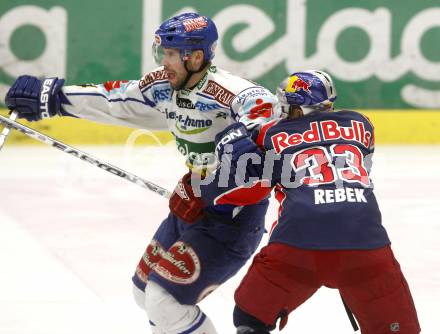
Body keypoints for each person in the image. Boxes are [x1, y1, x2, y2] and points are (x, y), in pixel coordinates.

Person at [4, 13, 281, 334]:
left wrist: (256, 135)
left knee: (165, 303)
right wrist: (54, 98)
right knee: (144, 290)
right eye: (162, 53)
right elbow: (116, 100)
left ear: (196, 57)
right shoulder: (164, 86)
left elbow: (261, 105)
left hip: (232, 218)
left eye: (171, 55)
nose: (164, 62)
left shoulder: (226, 89)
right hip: (194, 202)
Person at [190, 70, 421, 333]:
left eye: (287, 107)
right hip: (365, 243)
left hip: (297, 243)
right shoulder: (361, 124)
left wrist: (232, 137)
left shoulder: (269, 135)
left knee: (250, 318)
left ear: (298, 109)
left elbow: (240, 172)